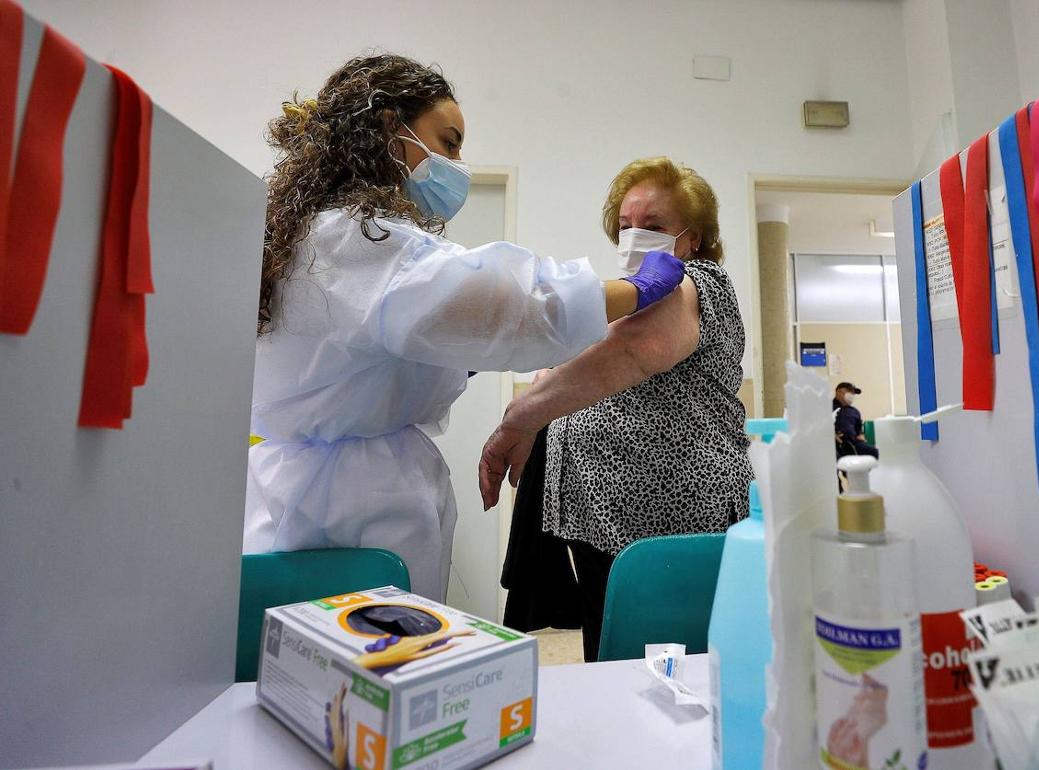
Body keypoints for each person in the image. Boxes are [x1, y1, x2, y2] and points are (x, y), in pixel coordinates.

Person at [243, 55, 686, 601]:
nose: (457, 164)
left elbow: (382, 340)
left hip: (306, 492)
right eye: (447, 142)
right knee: (371, 665)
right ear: (388, 128)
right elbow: (512, 306)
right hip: (355, 506)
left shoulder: (303, 236)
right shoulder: (359, 240)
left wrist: (465, 366)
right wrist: (638, 290)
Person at [479, 157, 754, 661]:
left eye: (653, 227)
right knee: (609, 646)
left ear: (693, 239)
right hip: (602, 517)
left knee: (667, 662)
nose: (633, 237)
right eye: (625, 226)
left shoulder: (703, 281)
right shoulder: (630, 297)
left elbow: (635, 350)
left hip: (670, 518)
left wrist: (522, 416)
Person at [834, 381, 878, 459]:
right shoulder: (826, 409)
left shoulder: (853, 411)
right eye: (849, 392)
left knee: (878, 452)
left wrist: (861, 434)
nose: (852, 395)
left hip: (854, 444)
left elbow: (858, 430)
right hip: (838, 445)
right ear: (838, 392)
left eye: (853, 393)